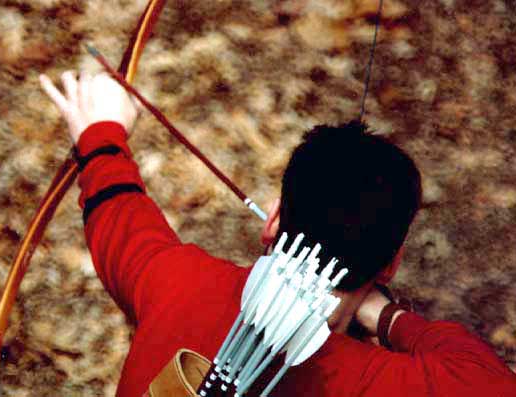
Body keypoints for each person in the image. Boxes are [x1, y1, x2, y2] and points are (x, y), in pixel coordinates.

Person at [39, 71, 516, 397]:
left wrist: (100, 131)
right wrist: (386, 315)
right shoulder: (394, 382)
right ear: (391, 261)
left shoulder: (174, 281)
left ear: (273, 220)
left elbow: (118, 212)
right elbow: (487, 379)